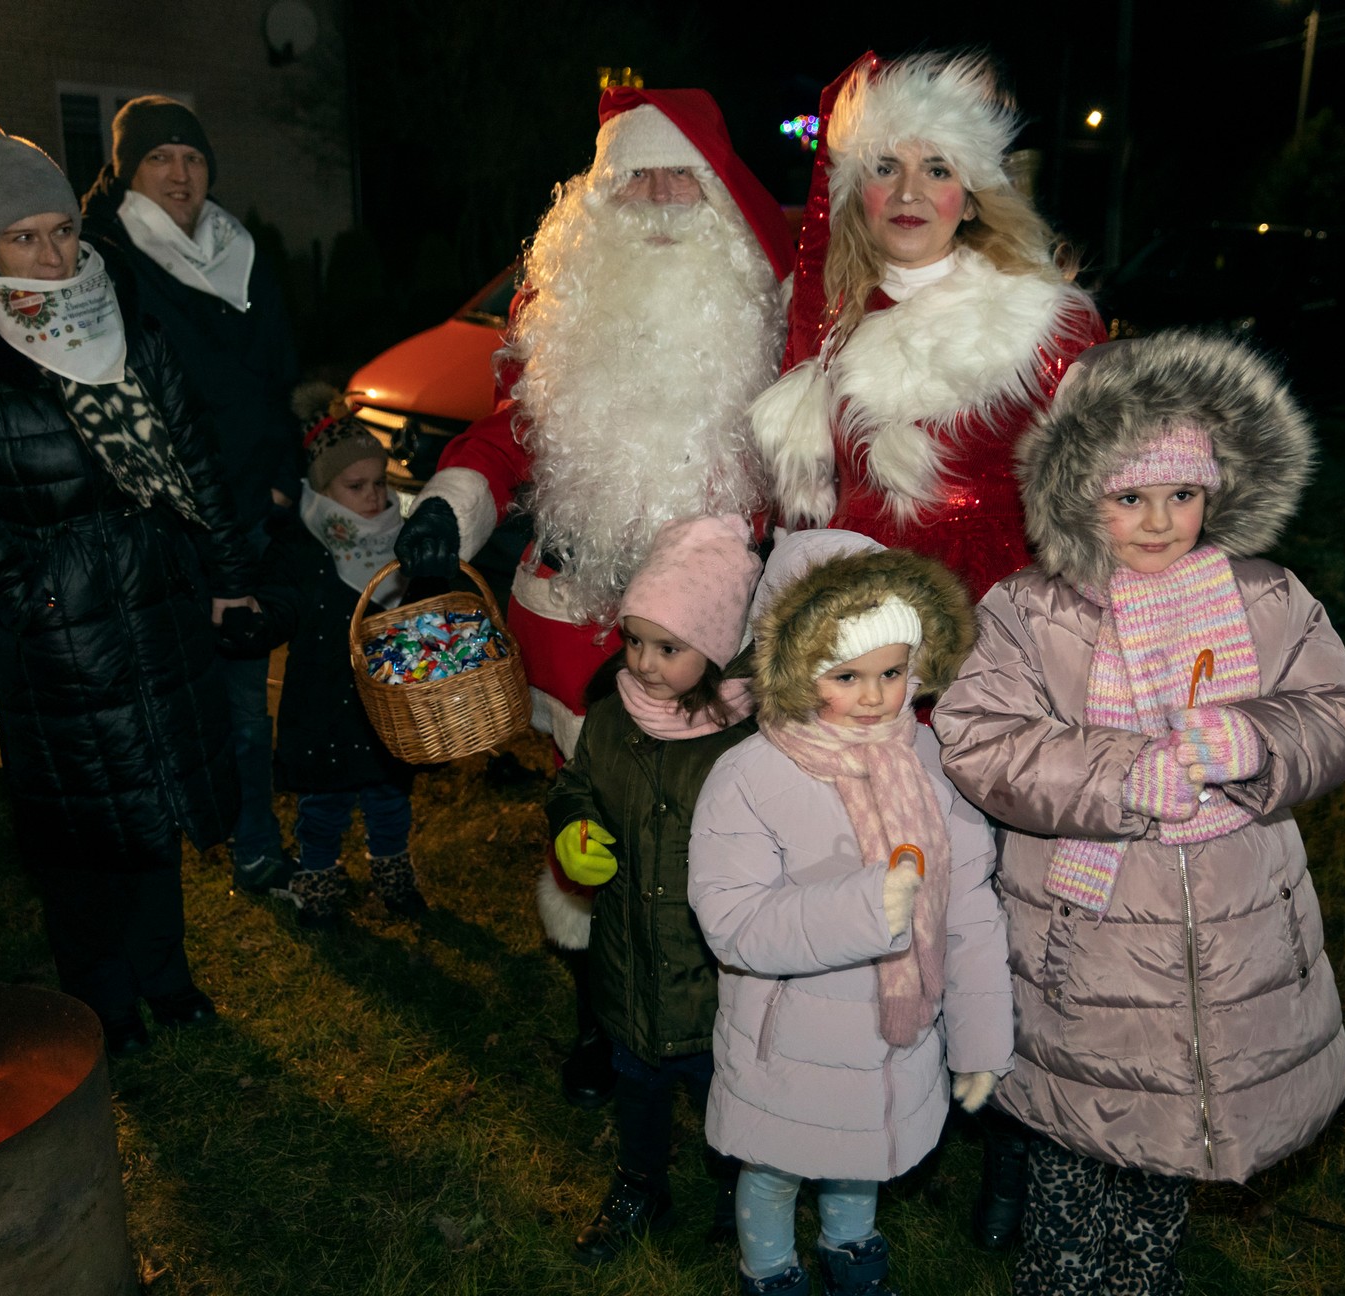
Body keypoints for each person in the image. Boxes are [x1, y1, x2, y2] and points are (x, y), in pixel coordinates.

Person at [932, 331, 1345, 1294]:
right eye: (1128, 497)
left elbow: (1342, 709)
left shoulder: (1266, 599)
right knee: (1079, 1136)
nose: (1158, 521)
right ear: (1076, 490)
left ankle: (1144, 1277)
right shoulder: (1033, 611)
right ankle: (1061, 1278)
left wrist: (1257, 738)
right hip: (1087, 940)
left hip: (1231, 931)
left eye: (1181, 494)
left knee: (1179, 1125)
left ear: (1219, 489)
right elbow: (978, 739)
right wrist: (1122, 774)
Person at [395, 86, 793, 1107]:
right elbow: (504, 433)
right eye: (633, 177)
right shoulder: (559, 312)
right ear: (597, 198)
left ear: (718, 192)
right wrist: (451, 502)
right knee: (590, 825)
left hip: (718, 641)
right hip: (580, 629)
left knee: (717, 830)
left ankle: (718, 1020)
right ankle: (598, 1017)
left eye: (678, 178)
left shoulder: (773, 318)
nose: (655, 197)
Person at [0, 118, 254, 1057]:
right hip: (61, 632)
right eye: (25, 237)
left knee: (157, 799)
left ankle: (165, 975)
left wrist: (225, 577)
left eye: (63, 229)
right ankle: (102, 997)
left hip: (159, 600)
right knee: (79, 826)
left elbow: (195, 457)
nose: (54, 254)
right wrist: (41, 601)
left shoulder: (124, 323)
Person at [689, 538, 1013, 1296]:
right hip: (790, 1041)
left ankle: (850, 1249)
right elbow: (733, 921)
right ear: (795, 672)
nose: (874, 697)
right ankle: (770, 1270)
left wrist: (979, 1040)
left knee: (862, 1150)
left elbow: (969, 907)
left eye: (892, 673)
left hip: (895, 1036)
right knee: (775, 1167)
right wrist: (865, 907)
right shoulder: (749, 777)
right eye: (846, 676)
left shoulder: (929, 762)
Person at [751, 50, 1109, 602]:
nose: (908, 192)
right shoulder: (822, 321)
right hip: (859, 616)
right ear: (857, 193)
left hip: (1004, 620)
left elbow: (1107, 498)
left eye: (937, 170)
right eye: (885, 168)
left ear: (971, 201)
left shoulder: (1049, 324)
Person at [81, 95, 304, 896]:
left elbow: (278, 374)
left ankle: (254, 844)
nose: (180, 173)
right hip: (166, 525)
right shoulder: (107, 261)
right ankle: (166, 844)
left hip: (248, 512)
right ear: (127, 171)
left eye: (193, 157)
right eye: (159, 158)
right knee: (163, 702)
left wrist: (281, 476)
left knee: (245, 702)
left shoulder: (237, 249)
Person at [545, 515, 763, 1263]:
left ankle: (739, 1191)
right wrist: (573, 828)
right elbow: (574, 786)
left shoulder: (744, 743)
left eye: (668, 648)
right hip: (630, 956)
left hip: (711, 973)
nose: (641, 662)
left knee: (723, 1091)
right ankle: (640, 1180)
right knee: (636, 1083)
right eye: (633, 641)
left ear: (717, 647)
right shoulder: (610, 720)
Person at [239, 404, 426, 930]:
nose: (374, 497)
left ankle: (393, 871)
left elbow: (424, 605)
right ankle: (318, 878)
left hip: (383, 700)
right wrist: (260, 617)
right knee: (323, 802)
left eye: (380, 483)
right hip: (321, 700)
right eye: (356, 486)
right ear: (322, 490)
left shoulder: (401, 540)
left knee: (390, 793)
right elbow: (281, 600)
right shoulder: (302, 545)